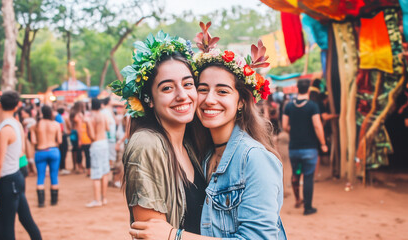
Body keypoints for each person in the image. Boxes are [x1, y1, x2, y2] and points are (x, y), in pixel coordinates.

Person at [129, 22, 286, 239]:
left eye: (222, 91)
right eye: (202, 89)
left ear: (241, 102)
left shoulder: (254, 158)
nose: (209, 99)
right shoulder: (202, 153)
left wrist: (175, 236)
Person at [109, 31, 206, 234]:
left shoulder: (190, 145)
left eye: (188, 84)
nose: (182, 95)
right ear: (149, 100)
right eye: (167, 88)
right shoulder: (146, 144)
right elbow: (152, 235)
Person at [0, 90, 42, 240]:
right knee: (26, 220)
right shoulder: (16, 124)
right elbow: (21, 151)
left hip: (8, 180)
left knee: (6, 228)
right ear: (17, 106)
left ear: (0, 104)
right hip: (16, 176)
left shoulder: (5, 129)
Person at [282, 79, 328, 215]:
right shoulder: (312, 106)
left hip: (294, 148)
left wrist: (294, 131)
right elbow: (317, 126)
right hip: (310, 149)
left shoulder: (289, 106)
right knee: (308, 177)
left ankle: (297, 199)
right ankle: (308, 207)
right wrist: (323, 144)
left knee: (296, 173)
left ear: (297, 88)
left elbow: (284, 126)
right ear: (308, 89)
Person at [30, 105, 62, 207]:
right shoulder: (56, 124)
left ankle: (41, 202)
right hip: (54, 151)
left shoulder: (35, 125)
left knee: (40, 176)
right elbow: (60, 140)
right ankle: (54, 201)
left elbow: (33, 141)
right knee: (54, 175)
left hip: (40, 151)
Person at [83, 98, 110, 207]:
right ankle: (104, 199)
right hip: (104, 143)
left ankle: (97, 200)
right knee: (104, 172)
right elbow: (108, 128)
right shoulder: (104, 116)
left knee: (96, 174)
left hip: (96, 144)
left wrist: (88, 125)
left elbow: (93, 136)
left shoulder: (90, 118)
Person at [55, 107, 70, 174]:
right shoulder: (59, 117)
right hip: (62, 136)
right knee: (63, 152)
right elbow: (61, 127)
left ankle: (62, 167)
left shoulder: (58, 116)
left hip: (61, 136)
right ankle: (62, 168)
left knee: (63, 152)